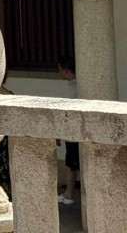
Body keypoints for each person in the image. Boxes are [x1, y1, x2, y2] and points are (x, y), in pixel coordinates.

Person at [57, 56, 79, 206]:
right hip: (79, 132)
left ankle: (69, 194)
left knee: (71, 164)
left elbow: (66, 113)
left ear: (66, 71)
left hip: (73, 133)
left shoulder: (71, 88)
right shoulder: (82, 86)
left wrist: (59, 133)